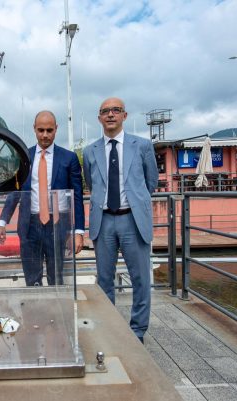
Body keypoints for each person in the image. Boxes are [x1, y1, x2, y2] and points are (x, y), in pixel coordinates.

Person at [83, 97, 158, 343]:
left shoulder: (143, 146)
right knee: (104, 280)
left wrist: (134, 203)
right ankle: (111, 329)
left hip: (133, 220)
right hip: (103, 221)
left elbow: (151, 183)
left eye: (116, 110)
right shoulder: (90, 151)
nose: (111, 115)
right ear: (99, 118)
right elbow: (92, 183)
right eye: (105, 111)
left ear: (125, 115)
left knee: (140, 279)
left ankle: (137, 333)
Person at [0, 111, 85, 286]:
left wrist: (79, 232)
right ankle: (35, 312)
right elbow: (15, 192)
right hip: (29, 227)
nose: (45, 135)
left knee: (57, 278)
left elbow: (77, 197)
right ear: (34, 130)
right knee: (32, 279)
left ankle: (57, 312)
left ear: (56, 129)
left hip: (58, 226)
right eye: (41, 130)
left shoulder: (69, 158)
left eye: (49, 130)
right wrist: (2, 221)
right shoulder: (23, 158)